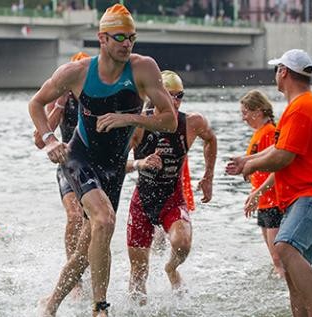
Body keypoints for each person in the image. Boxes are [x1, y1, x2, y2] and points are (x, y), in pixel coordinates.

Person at [29, 4, 177, 316]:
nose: (127, 44)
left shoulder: (143, 69)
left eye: (132, 38)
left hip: (114, 167)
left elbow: (170, 120)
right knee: (105, 219)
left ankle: (51, 304)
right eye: (120, 37)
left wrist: (129, 119)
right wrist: (50, 139)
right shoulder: (77, 73)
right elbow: (36, 103)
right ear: (102, 38)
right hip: (79, 157)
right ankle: (101, 308)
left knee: (88, 246)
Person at [226, 49, 312, 316]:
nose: (275, 74)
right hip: (304, 197)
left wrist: (250, 164)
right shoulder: (299, 106)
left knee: (284, 247)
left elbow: (282, 157)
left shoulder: (301, 107)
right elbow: (279, 147)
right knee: (291, 268)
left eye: (277, 69)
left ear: (284, 72)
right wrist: (247, 161)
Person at [125, 70, 217, 303]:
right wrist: (139, 162)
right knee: (138, 275)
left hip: (172, 199)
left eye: (180, 96)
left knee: (182, 243)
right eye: (170, 96)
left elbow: (211, 139)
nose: (175, 102)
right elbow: (114, 163)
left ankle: (171, 269)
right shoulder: (139, 124)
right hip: (142, 201)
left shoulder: (192, 123)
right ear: (156, 97)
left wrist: (208, 176)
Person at [33, 51, 89, 297]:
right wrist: (60, 104)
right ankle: (74, 277)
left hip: (94, 166)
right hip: (68, 165)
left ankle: (87, 267)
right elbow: (39, 140)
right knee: (75, 217)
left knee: (94, 223)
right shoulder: (59, 97)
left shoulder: (96, 96)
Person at [239, 90, 284, 278]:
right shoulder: (259, 133)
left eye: (245, 113)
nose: (243, 118)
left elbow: (279, 168)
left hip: (274, 201)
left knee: (278, 258)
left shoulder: (269, 132)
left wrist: (257, 192)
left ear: (258, 111)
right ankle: (282, 290)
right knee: (274, 258)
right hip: (264, 202)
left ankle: (290, 295)